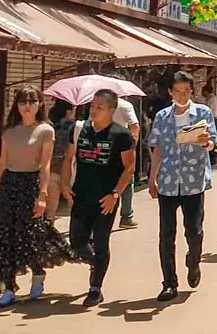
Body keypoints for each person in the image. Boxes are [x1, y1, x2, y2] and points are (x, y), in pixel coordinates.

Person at [0, 86, 72, 307]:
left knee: (30, 235)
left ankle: (37, 273)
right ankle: (9, 288)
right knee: (3, 237)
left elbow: (46, 165)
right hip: (9, 184)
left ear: (40, 104)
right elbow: (2, 164)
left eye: (32, 101)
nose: (27, 106)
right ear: (17, 105)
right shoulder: (9, 130)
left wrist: (42, 195)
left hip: (31, 184)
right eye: (23, 102)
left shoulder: (45, 130)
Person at [60, 89, 135, 306]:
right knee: (76, 241)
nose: (94, 110)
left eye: (100, 107)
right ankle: (96, 262)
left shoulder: (121, 134)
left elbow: (129, 168)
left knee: (101, 241)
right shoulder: (79, 129)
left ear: (112, 110)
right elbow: (68, 158)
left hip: (106, 199)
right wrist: (65, 185)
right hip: (81, 195)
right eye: (93, 106)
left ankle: (95, 288)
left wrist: (115, 194)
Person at [147, 70, 217, 301]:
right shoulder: (162, 116)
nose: (182, 95)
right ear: (170, 92)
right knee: (166, 235)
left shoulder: (202, 113)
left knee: (193, 230)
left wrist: (206, 142)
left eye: (186, 91)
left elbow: (212, 142)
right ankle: (169, 282)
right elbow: (156, 149)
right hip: (168, 182)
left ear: (191, 92)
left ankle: (193, 261)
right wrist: (152, 177)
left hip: (193, 182)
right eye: (178, 91)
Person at [112, 94, 141, 229]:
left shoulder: (98, 103)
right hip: (122, 147)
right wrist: (133, 144)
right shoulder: (125, 105)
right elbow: (135, 126)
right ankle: (126, 216)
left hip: (102, 145)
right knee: (127, 180)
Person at [45, 101, 75, 220]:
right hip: (69, 170)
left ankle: (48, 231)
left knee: (50, 209)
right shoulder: (74, 127)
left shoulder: (48, 126)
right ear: (68, 112)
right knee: (74, 202)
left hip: (51, 167)